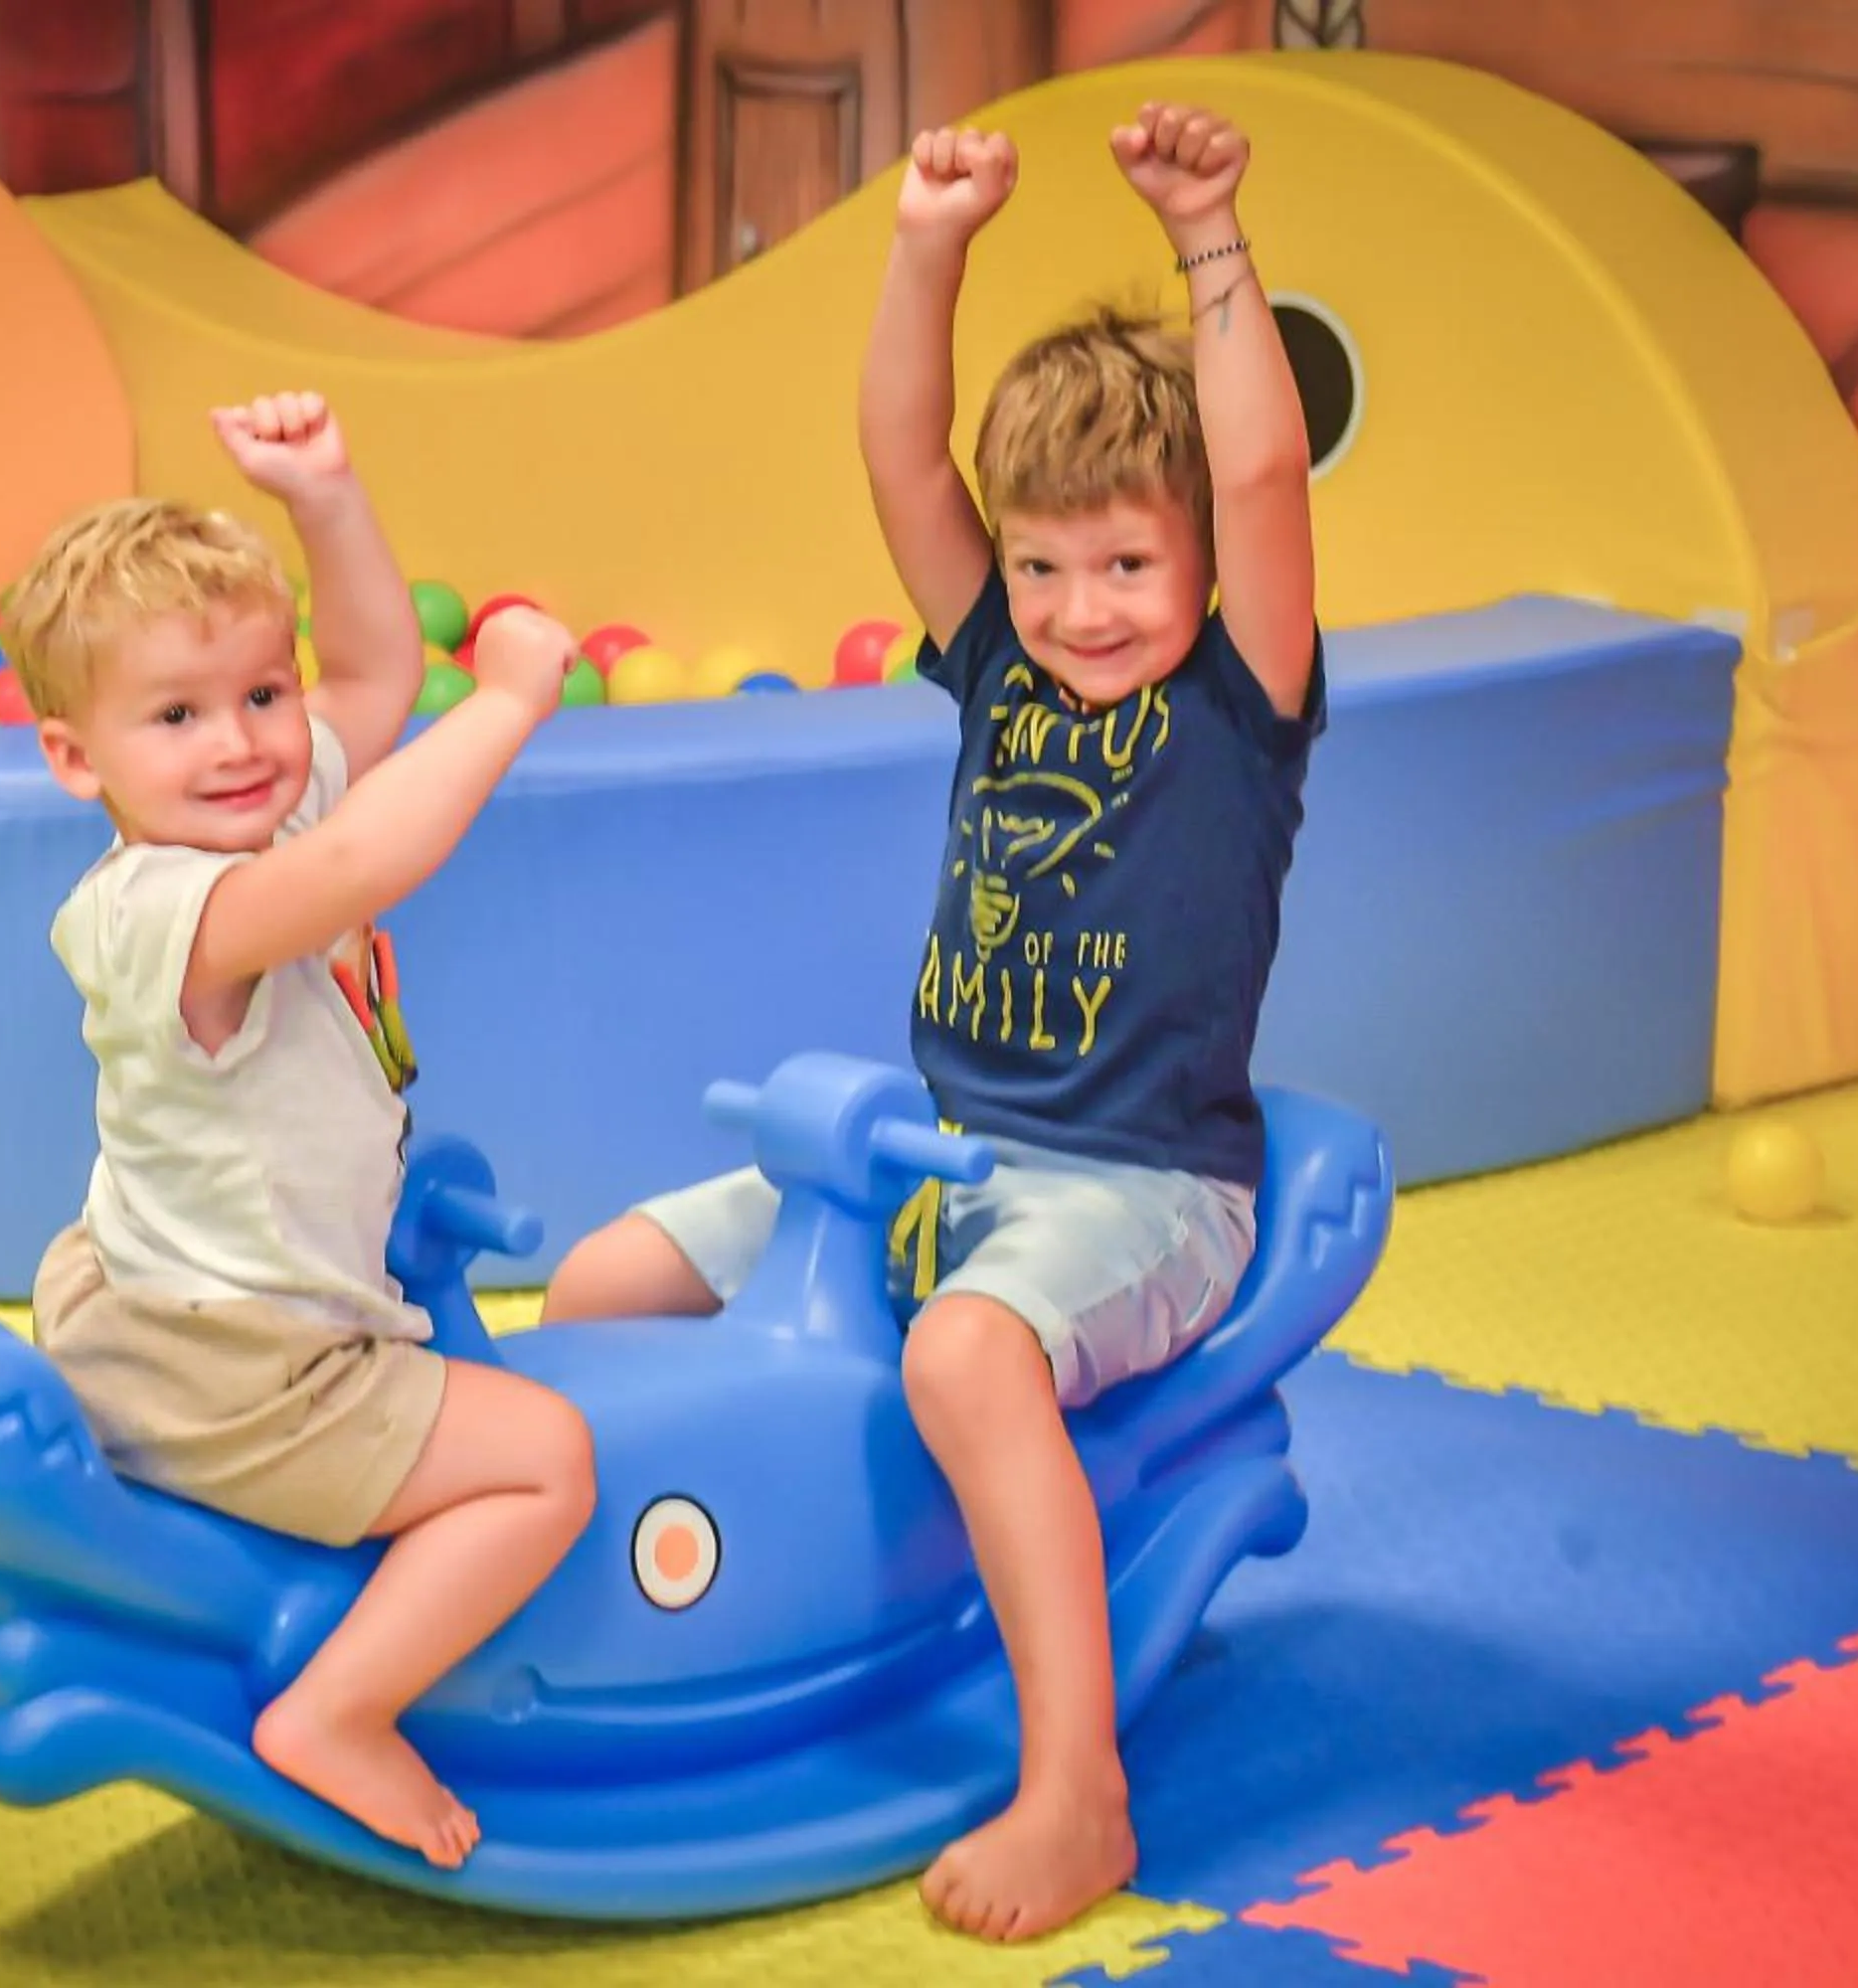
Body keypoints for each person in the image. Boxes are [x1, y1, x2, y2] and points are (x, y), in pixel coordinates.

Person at [539, 102, 1324, 1941]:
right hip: (933, 1157)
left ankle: (1079, 1793)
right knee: (595, 1288)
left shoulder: (1238, 707)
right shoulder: (1000, 659)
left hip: (1136, 1186)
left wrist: (1207, 230)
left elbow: (1269, 477)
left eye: (1126, 565)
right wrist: (925, 243)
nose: (1074, 610)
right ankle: (633, 1644)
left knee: (965, 1362)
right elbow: (905, 463)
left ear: (1201, 567)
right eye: (1043, 567)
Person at [4, 392, 596, 1872]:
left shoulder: (255, 811)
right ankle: (339, 1710)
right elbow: (363, 856)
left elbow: (380, 670)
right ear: (79, 763)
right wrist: (511, 704)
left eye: (264, 695)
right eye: (179, 716)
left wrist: (325, 496)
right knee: (550, 1459)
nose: (246, 743)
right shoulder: (161, 906)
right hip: (238, 1365)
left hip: (188, 1298)